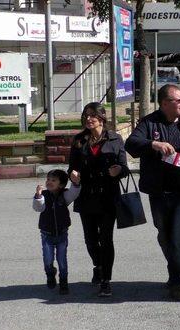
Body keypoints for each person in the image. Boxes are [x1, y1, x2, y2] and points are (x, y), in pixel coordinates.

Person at [125, 84, 180, 301]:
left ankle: (177, 281)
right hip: (160, 192)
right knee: (164, 235)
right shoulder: (149, 123)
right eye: (178, 100)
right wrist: (154, 144)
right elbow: (131, 144)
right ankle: (175, 271)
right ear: (164, 103)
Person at [68, 102, 129, 297]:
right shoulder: (79, 140)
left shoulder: (115, 139)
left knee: (106, 239)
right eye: (86, 116)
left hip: (107, 196)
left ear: (102, 117)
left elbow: (124, 167)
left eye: (92, 116)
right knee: (90, 240)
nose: (88, 119)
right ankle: (98, 265)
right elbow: (72, 167)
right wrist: (73, 175)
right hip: (86, 197)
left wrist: (119, 170)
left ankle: (106, 280)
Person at [32, 169, 81, 295]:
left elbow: (74, 193)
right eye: (48, 179)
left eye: (53, 180)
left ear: (61, 184)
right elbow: (38, 208)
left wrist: (75, 183)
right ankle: (50, 273)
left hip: (62, 233)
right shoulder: (44, 194)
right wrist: (38, 196)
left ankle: (63, 282)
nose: (49, 182)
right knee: (48, 259)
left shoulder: (64, 195)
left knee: (62, 260)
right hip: (46, 233)